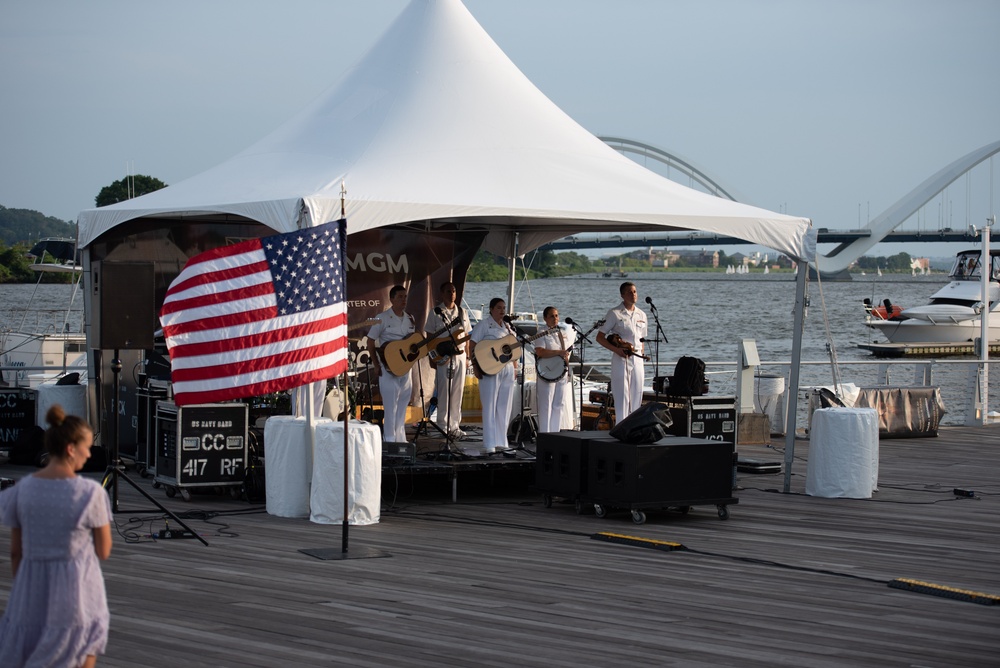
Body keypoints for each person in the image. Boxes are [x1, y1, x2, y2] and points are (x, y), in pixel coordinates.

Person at [0, 404, 113, 668]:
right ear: (71, 449)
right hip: (75, 587)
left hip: (31, 584)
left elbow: (16, 552)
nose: (89, 454)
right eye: (86, 446)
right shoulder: (90, 493)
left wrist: (25, 582)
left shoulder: (22, 490)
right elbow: (103, 550)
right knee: (82, 643)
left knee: (27, 647)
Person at [367, 285, 416, 443]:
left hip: (405, 369)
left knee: (402, 405)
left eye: (405, 297)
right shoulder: (382, 318)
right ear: (392, 299)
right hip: (388, 369)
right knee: (390, 407)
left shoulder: (410, 319)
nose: (404, 300)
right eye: (400, 297)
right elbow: (370, 342)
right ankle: (389, 440)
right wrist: (376, 364)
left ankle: (400, 439)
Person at [423, 281, 472, 440]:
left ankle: (454, 426)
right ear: (442, 294)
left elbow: (467, 335)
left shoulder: (462, 312)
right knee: (444, 391)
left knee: (458, 391)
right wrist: (432, 356)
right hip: (443, 356)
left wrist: (468, 357)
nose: (451, 294)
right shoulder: (435, 312)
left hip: (460, 355)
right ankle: (442, 426)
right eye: (448, 291)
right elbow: (429, 336)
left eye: (453, 291)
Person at [469, 298, 518, 453]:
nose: (502, 311)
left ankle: (501, 441)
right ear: (491, 309)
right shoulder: (483, 325)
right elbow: (472, 346)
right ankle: (489, 443)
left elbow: (513, 350)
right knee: (490, 405)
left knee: (505, 405)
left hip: (507, 369)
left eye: (504, 308)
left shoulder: (508, 327)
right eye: (499, 308)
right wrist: (475, 366)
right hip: (489, 368)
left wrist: (515, 368)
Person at [596, 281, 648, 421]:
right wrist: (616, 350)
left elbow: (641, 339)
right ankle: (621, 426)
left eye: (635, 291)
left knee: (637, 394)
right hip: (621, 357)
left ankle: (635, 427)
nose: (633, 295)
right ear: (622, 295)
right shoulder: (614, 313)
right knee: (622, 395)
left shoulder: (641, 314)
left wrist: (641, 354)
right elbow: (600, 337)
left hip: (636, 358)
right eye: (630, 292)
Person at [533, 306, 576, 433]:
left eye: (556, 315)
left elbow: (566, 353)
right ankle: (545, 434)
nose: (555, 318)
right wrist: (558, 352)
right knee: (546, 405)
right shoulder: (542, 332)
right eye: (551, 316)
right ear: (545, 318)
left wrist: (567, 370)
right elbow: (540, 352)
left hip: (561, 371)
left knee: (559, 404)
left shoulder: (561, 333)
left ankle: (555, 433)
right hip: (547, 372)